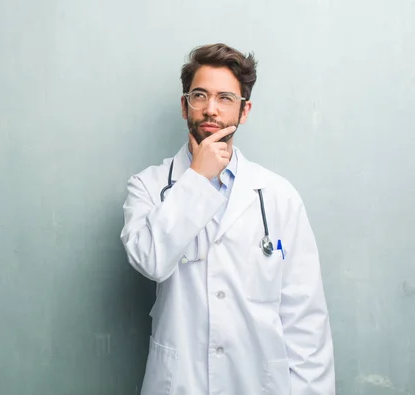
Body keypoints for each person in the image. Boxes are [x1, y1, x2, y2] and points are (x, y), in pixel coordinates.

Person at [120, 43, 335, 395]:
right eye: (200, 95)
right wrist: (196, 179)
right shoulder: (148, 186)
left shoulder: (279, 197)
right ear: (184, 105)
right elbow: (151, 260)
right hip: (180, 384)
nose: (210, 109)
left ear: (244, 110)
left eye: (225, 98)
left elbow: (305, 321)